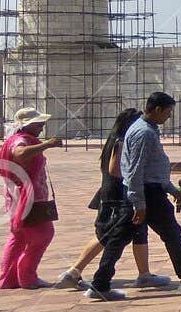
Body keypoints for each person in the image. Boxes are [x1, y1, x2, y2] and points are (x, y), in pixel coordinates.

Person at [89, 92, 181, 301]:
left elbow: (151, 168)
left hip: (145, 192)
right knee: (171, 234)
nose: (168, 117)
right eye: (167, 112)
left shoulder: (145, 129)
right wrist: (139, 204)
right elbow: (135, 171)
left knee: (119, 239)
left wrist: (170, 189)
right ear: (157, 109)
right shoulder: (144, 133)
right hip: (146, 195)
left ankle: (100, 284)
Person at [57, 108, 170, 289]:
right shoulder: (122, 141)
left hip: (119, 193)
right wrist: (135, 179)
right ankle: (74, 271)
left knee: (138, 232)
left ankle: (144, 274)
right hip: (118, 195)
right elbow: (115, 170)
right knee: (108, 235)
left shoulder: (117, 140)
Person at [0, 106, 63, 291]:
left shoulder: (18, 139)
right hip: (27, 197)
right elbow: (21, 153)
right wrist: (47, 144)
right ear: (28, 125)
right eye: (39, 123)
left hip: (19, 195)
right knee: (43, 235)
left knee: (18, 236)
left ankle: (8, 279)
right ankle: (27, 276)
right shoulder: (21, 140)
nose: (42, 126)